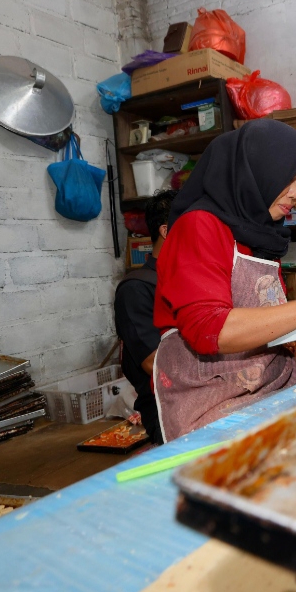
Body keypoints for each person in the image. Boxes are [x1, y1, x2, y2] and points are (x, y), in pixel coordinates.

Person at [152, 119, 296, 442]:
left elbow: (267, 320)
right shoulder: (199, 226)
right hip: (212, 401)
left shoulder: (258, 234)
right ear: (253, 171)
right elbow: (211, 330)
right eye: (288, 180)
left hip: (272, 384)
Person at [113, 189, 176, 444]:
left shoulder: (192, 278)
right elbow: (154, 363)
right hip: (167, 408)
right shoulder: (136, 289)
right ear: (166, 231)